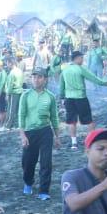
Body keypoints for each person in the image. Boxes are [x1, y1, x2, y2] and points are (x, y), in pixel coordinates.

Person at [19, 67, 61, 200]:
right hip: (29, 132)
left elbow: (54, 117)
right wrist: (22, 135)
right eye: (34, 77)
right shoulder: (25, 95)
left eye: (39, 77)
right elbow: (21, 116)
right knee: (28, 161)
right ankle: (28, 182)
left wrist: (57, 136)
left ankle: (44, 190)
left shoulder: (50, 97)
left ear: (45, 79)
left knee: (46, 162)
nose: (36, 79)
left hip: (45, 131)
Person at [60, 50, 107, 150]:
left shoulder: (65, 70)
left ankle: (74, 143)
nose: (82, 60)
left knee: (72, 121)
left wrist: (62, 98)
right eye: (81, 58)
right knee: (89, 120)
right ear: (77, 58)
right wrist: (106, 83)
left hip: (69, 98)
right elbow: (94, 78)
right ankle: (91, 142)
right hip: (81, 98)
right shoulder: (80, 69)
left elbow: (62, 86)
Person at [6, 60, 24, 130]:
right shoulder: (20, 71)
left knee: (11, 110)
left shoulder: (12, 73)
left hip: (14, 92)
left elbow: (10, 84)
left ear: (11, 63)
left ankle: (8, 125)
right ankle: (17, 125)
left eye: (7, 64)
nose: (7, 65)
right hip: (20, 91)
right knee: (18, 109)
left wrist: (8, 94)